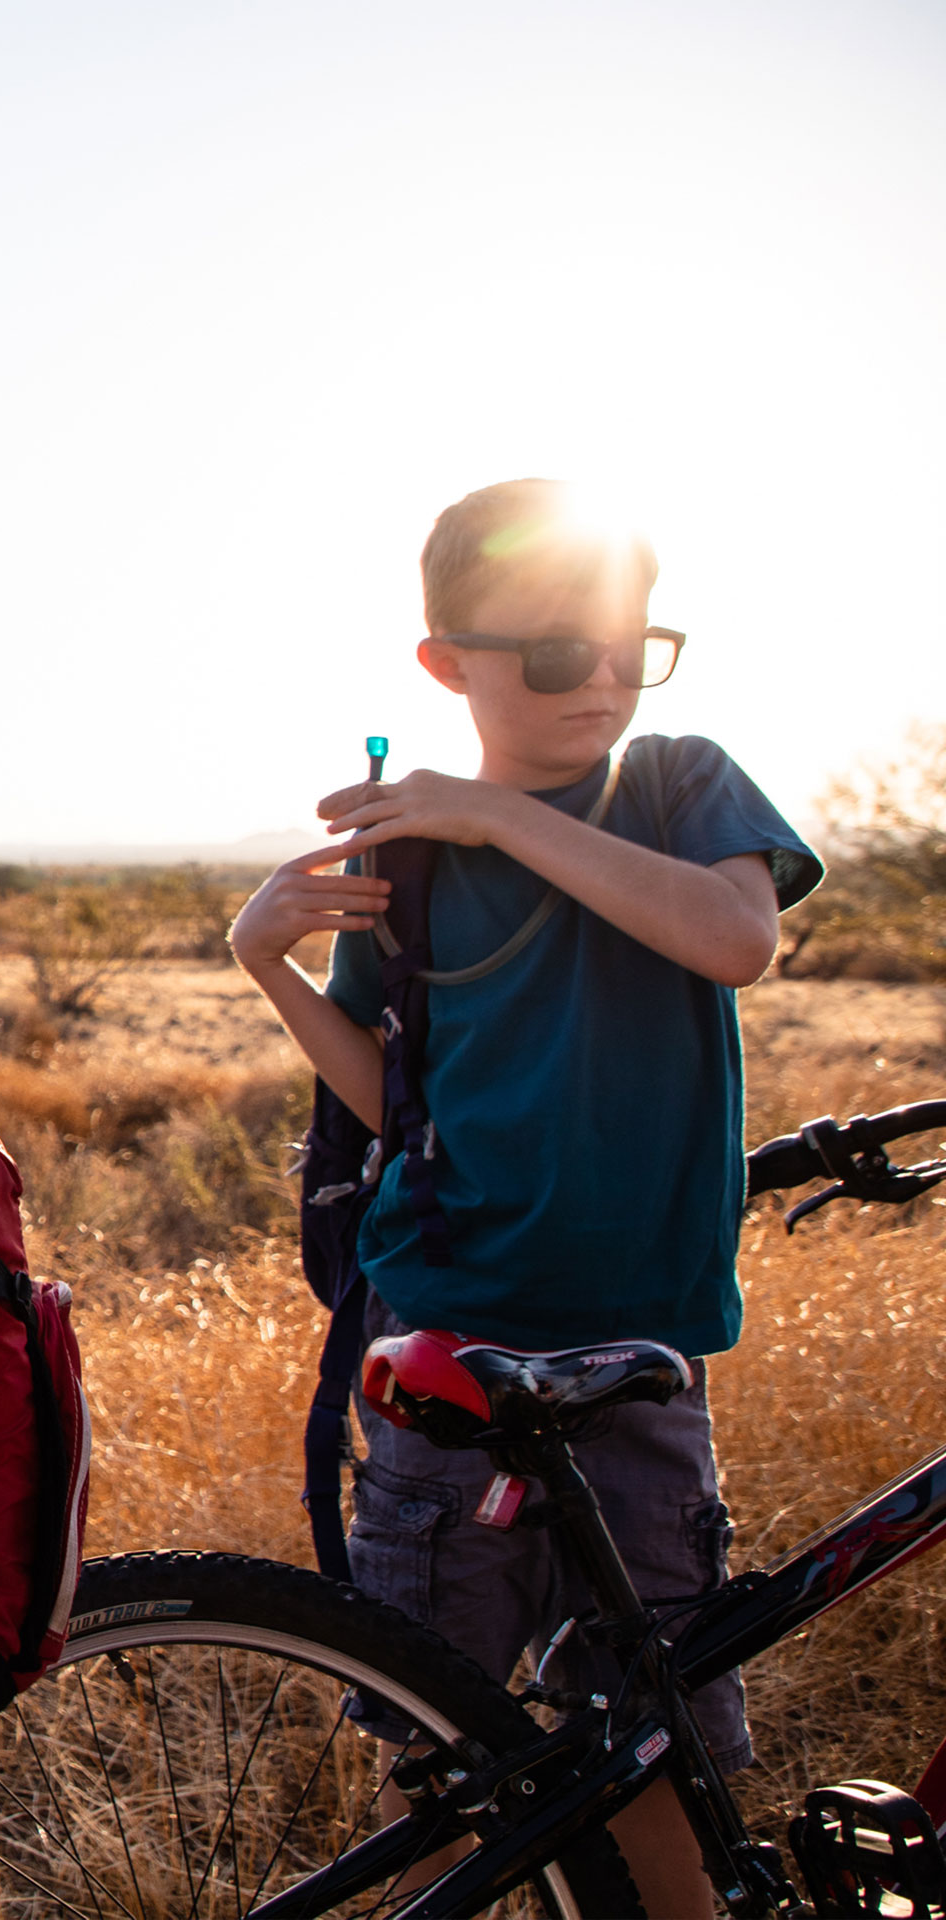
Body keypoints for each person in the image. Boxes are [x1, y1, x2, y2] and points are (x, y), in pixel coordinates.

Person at [227, 478, 822, 1913]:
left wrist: (494, 814)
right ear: (448, 664)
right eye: (559, 654)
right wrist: (268, 968)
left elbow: (736, 938)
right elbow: (400, 1100)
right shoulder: (410, 860)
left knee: (663, 1750)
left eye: (633, 647)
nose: (604, 681)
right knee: (438, 1761)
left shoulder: (680, 785)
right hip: (450, 1338)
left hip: (636, 1354)